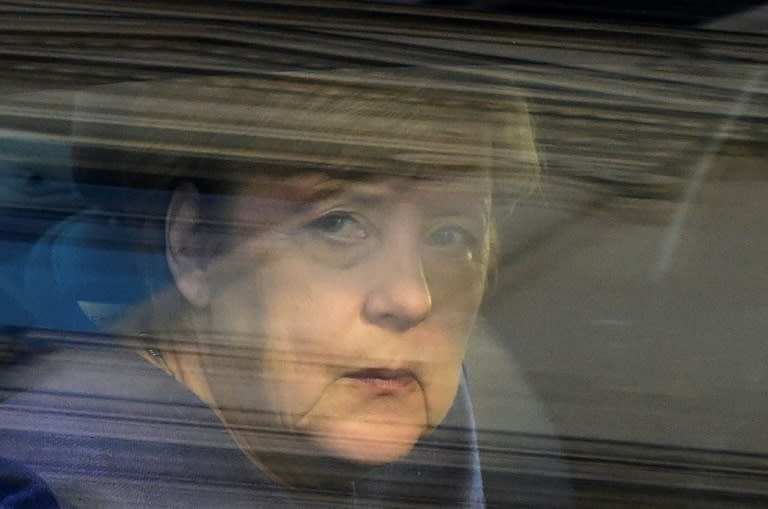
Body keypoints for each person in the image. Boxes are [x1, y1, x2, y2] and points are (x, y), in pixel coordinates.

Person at [0, 69, 539, 508]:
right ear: (195, 245)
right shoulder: (52, 480)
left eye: (450, 235)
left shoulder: (404, 393)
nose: (412, 298)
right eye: (337, 224)